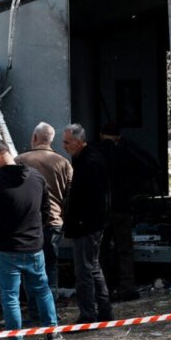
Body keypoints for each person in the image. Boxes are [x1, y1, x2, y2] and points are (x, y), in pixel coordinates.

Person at [0, 140, 63, 340]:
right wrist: (37, 233)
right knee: (42, 291)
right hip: (34, 246)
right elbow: (47, 210)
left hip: (6, 250)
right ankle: (52, 333)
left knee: (10, 297)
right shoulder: (36, 177)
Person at [97, 122, 160, 301]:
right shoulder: (125, 152)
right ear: (118, 136)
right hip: (121, 207)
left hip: (101, 209)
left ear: (101, 135)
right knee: (124, 248)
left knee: (101, 251)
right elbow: (150, 164)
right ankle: (127, 287)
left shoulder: (94, 152)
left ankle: (104, 288)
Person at [61, 123, 113, 324]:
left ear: (77, 142)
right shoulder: (86, 159)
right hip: (89, 224)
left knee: (84, 272)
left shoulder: (89, 162)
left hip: (86, 225)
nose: (64, 146)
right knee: (93, 267)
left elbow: (89, 198)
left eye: (66, 142)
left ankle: (88, 314)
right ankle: (104, 310)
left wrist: (79, 222)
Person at [14, 122, 72, 292]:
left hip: (27, 223)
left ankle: (34, 309)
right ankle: (51, 307)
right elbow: (70, 195)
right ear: (51, 140)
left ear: (34, 137)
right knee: (51, 265)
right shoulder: (64, 163)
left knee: (28, 267)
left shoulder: (20, 160)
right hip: (54, 222)